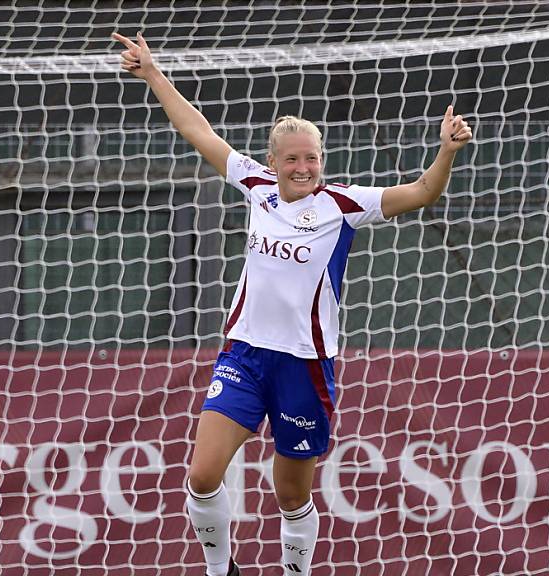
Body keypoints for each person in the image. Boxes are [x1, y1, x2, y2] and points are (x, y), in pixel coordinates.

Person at [112, 32, 472, 576]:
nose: (303, 167)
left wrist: (445, 151)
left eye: (312, 158)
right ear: (273, 161)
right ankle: (219, 569)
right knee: (203, 475)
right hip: (245, 355)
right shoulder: (255, 186)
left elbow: (423, 192)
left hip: (304, 366)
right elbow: (197, 130)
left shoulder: (344, 205)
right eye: (293, 159)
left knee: (289, 494)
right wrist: (154, 73)